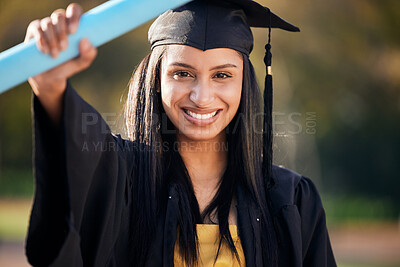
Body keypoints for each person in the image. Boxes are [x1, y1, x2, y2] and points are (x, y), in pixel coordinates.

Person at [24, 0, 336, 266]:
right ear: (156, 79)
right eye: (182, 73)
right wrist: (50, 88)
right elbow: (73, 178)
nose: (202, 96)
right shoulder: (122, 179)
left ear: (245, 82)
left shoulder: (290, 200)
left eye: (222, 75)